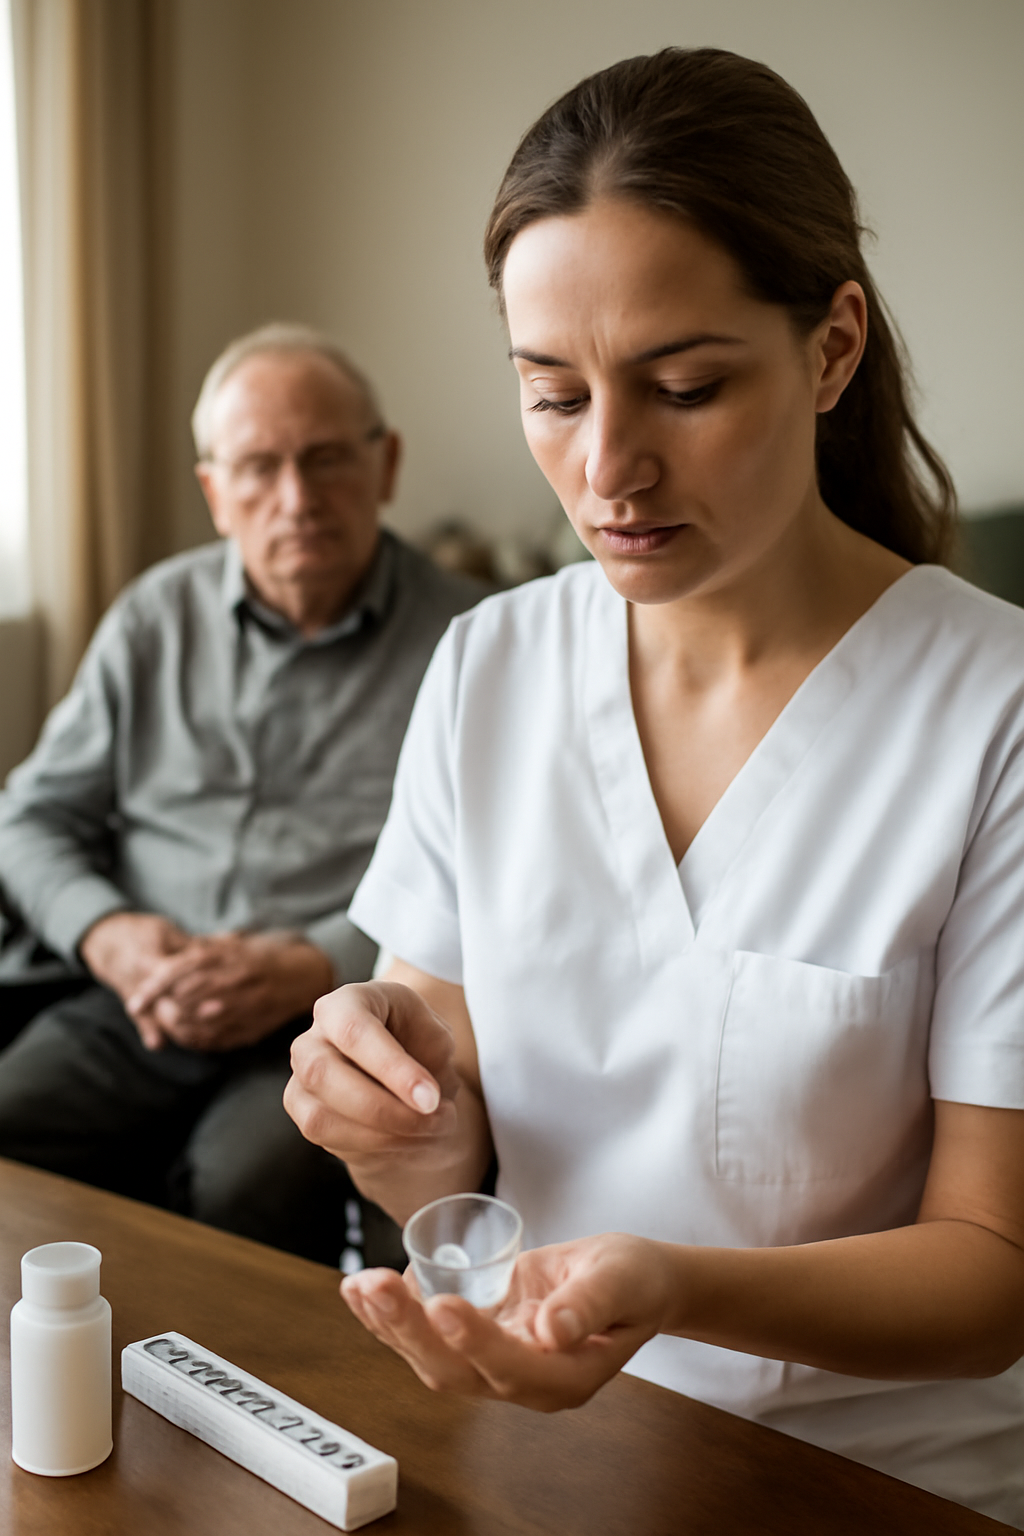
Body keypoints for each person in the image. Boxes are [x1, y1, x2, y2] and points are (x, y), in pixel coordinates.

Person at [283, 49, 1024, 1525]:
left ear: (831, 348)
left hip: (879, 1480)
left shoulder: (993, 710)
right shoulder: (490, 669)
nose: (608, 468)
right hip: (543, 1450)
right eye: (552, 397)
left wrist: (669, 1287)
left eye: (684, 387)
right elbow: (449, 1178)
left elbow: (993, 1276)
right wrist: (407, 1134)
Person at [0, 323, 483, 1264]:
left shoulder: (472, 642)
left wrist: (314, 964)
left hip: (335, 1016)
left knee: (246, 1182)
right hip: (142, 998)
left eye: (327, 460)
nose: (296, 500)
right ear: (215, 492)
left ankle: (215, 1406)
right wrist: (111, 936)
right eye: (258, 468)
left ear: (386, 466)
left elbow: (498, 881)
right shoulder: (153, 618)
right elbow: (30, 817)